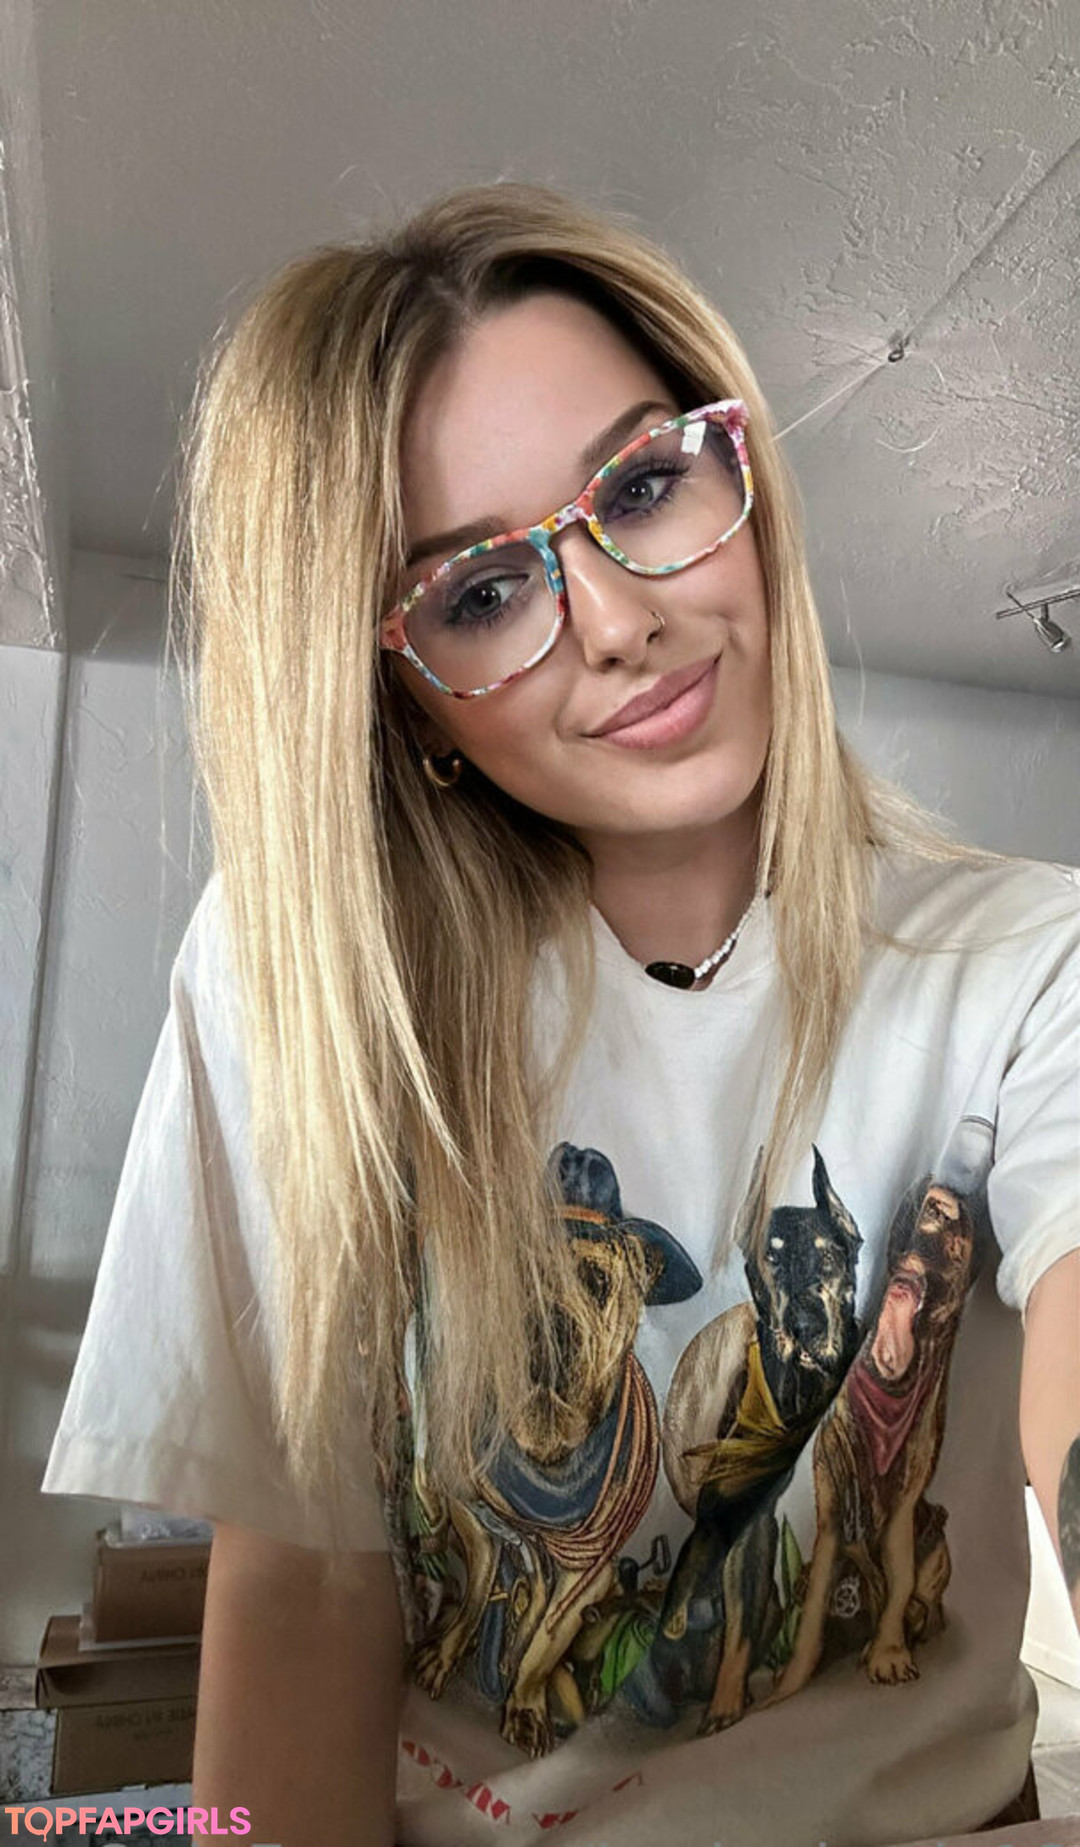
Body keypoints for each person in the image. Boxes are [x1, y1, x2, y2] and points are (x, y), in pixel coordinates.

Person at [41, 181, 1079, 1847]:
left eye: (646, 485)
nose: (619, 620)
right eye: (479, 595)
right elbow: (304, 1592)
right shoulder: (311, 985)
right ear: (407, 705)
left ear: (742, 479)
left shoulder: (1027, 964)